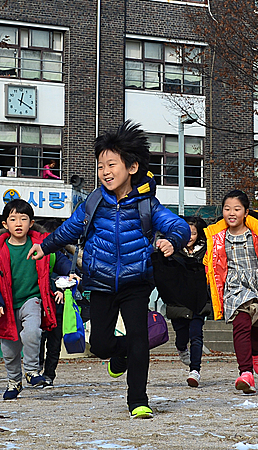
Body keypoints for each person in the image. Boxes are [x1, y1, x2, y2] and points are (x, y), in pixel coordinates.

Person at [28, 120, 190, 419]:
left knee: (139, 339)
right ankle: (121, 351)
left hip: (136, 282)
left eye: (112, 164)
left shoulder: (147, 204)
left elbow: (178, 225)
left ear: (131, 167)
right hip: (100, 281)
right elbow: (68, 230)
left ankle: (138, 399)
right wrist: (45, 246)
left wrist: (171, 240)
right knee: (101, 345)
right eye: (101, 165)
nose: (105, 171)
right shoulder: (93, 203)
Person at [0, 199, 71, 400]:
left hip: (33, 299)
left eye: (23, 219)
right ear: (5, 224)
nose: (18, 223)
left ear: (31, 222)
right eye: (13, 219)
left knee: (32, 332)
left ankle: (32, 371)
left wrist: (71, 274)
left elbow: (61, 261)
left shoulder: (43, 245)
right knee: (9, 350)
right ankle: (14, 382)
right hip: (6, 307)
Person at [204, 189, 258, 394]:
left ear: (246, 212)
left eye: (236, 209)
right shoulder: (216, 236)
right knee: (240, 324)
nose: (231, 213)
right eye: (227, 209)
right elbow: (210, 262)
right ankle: (245, 373)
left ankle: (257, 352)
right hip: (234, 286)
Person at [166, 215, 211, 388]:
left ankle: (195, 371)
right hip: (178, 301)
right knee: (181, 335)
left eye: (192, 233)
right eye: (185, 232)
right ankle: (181, 347)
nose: (189, 236)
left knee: (197, 334)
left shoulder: (206, 250)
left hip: (199, 300)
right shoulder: (172, 251)